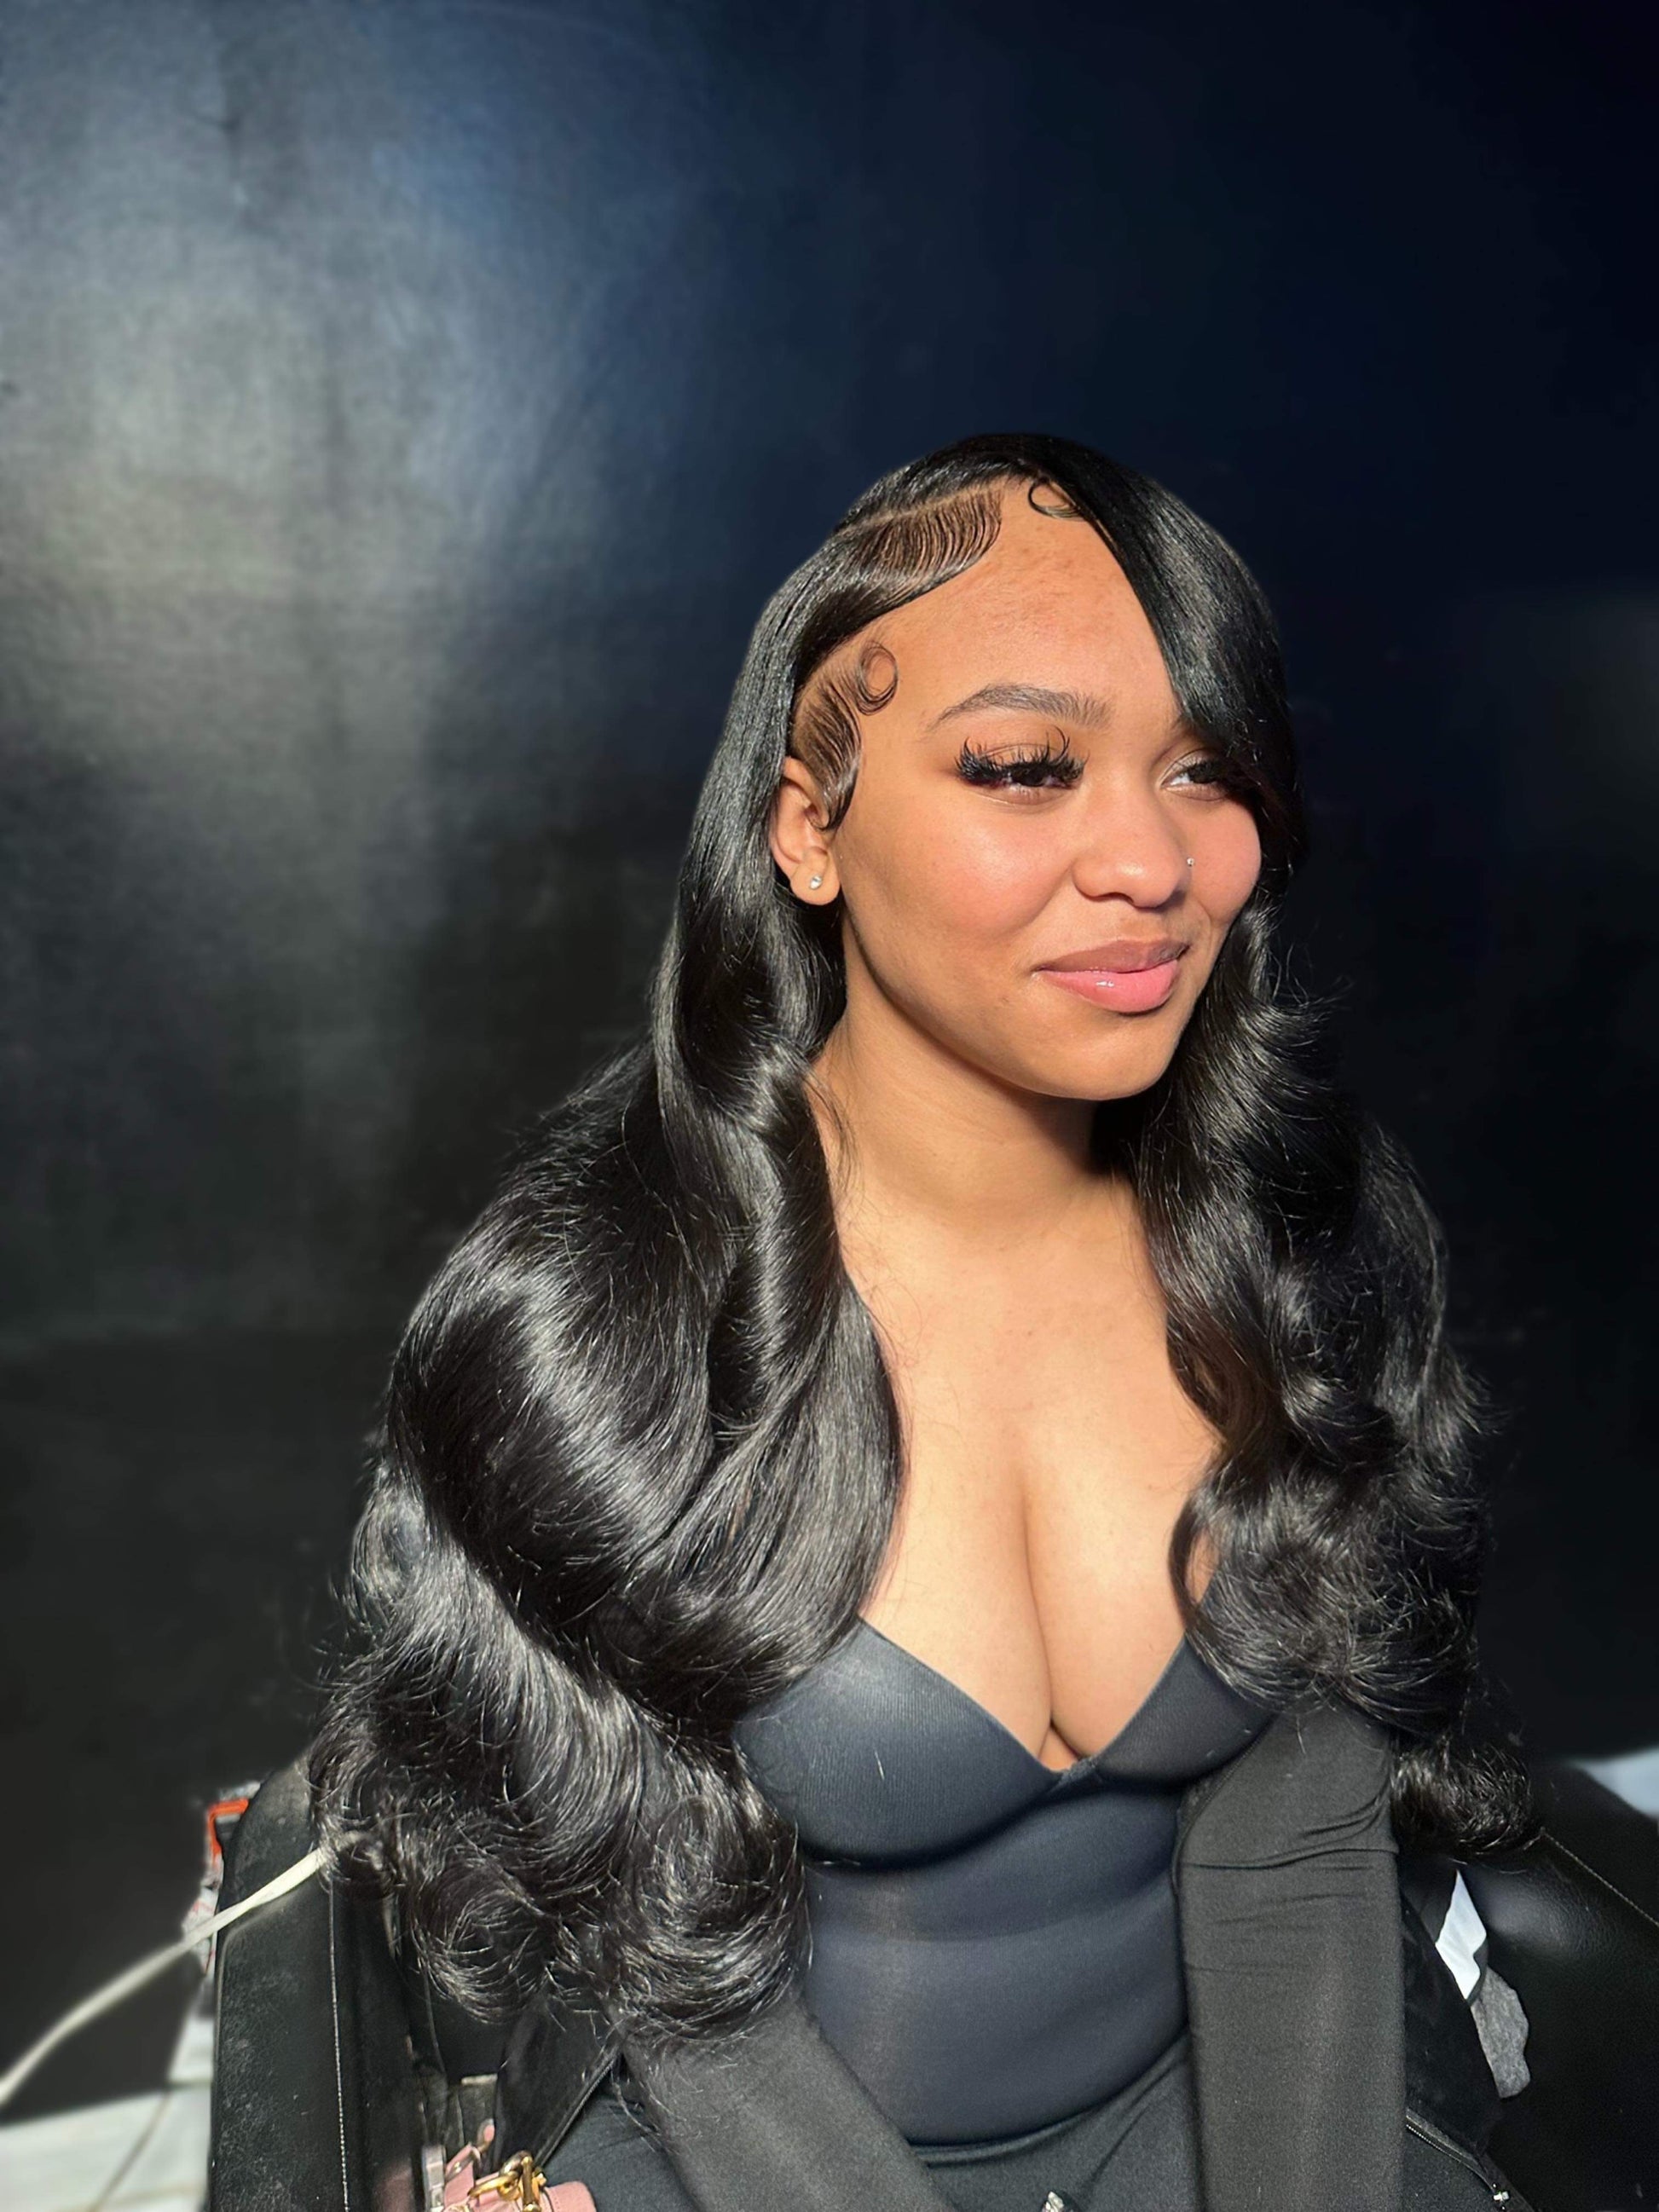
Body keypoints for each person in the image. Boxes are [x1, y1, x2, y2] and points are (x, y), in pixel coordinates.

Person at [310, 433, 1543, 2208]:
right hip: (734, 2132)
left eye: (1204, 768)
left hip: (1195, 2098)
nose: (1151, 860)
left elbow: (1292, 1862)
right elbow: (676, 1973)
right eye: (1026, 768)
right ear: (808, 827)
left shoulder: (1296, 1253)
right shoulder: (603, 1329)